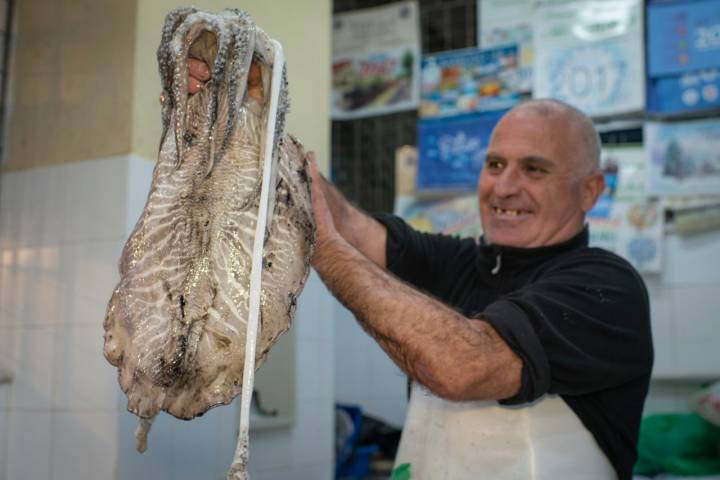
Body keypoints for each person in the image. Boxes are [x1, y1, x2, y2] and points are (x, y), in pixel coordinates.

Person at [188, 63, 652, 479]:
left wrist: (323, 246)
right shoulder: (459, 262)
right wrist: (251, 113)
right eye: (495, 165)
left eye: (534, 170)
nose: (505, 187)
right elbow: (351, 228)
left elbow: (465, 367)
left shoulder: (606, 288)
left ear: (590, 191)